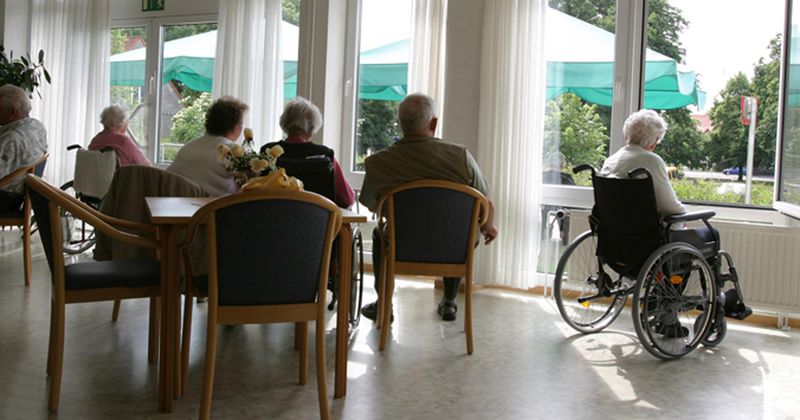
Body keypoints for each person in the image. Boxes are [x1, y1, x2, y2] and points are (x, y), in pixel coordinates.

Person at [359, 93, 498, 322]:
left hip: (402, 244)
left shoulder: (378, 163)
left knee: (379, 234)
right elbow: (486, 202)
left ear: (401, 124)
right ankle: (450, 302)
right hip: (452, 245)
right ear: (433, 123)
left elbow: (375, 207)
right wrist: (488, 225)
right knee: (462, 231)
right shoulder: (460, 157)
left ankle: (384, 303)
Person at [261, 97, 355, 208]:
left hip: (270, 220)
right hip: (316, 223)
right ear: (312, 128)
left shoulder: (268, 152)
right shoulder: (325, 155)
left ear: (285, 123)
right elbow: (347, 198)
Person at [600, 109, 685, 217]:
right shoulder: (652, 161)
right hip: (647, 232)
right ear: (654, 142)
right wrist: (683, 214)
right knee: (708, 232)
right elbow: (670, 208)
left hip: (611, 230)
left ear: (627, 135)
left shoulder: (610, 161)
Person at [167, 96, 248, 196]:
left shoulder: (189, 146)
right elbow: (248, 187)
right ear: (236, 127)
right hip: (207, 208)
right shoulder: (232, 150)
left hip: (174, 204)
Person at [0, 84, 47, 213]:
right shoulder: (37, 127)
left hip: (5, 199)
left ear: (12, 112)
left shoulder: (12, 138)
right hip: (18, 196)